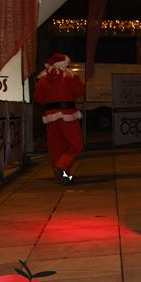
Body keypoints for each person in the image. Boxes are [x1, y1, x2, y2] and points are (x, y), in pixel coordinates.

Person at [34, 53, 86, 184]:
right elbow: (80, 91)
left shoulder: (42, 79)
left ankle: (63, 176)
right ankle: (62, 167)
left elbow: (38, 99)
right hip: (68, 115)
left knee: (56, 148)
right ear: (64, 64)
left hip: (50, 116)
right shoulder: (69, 76)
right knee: (76, 144)